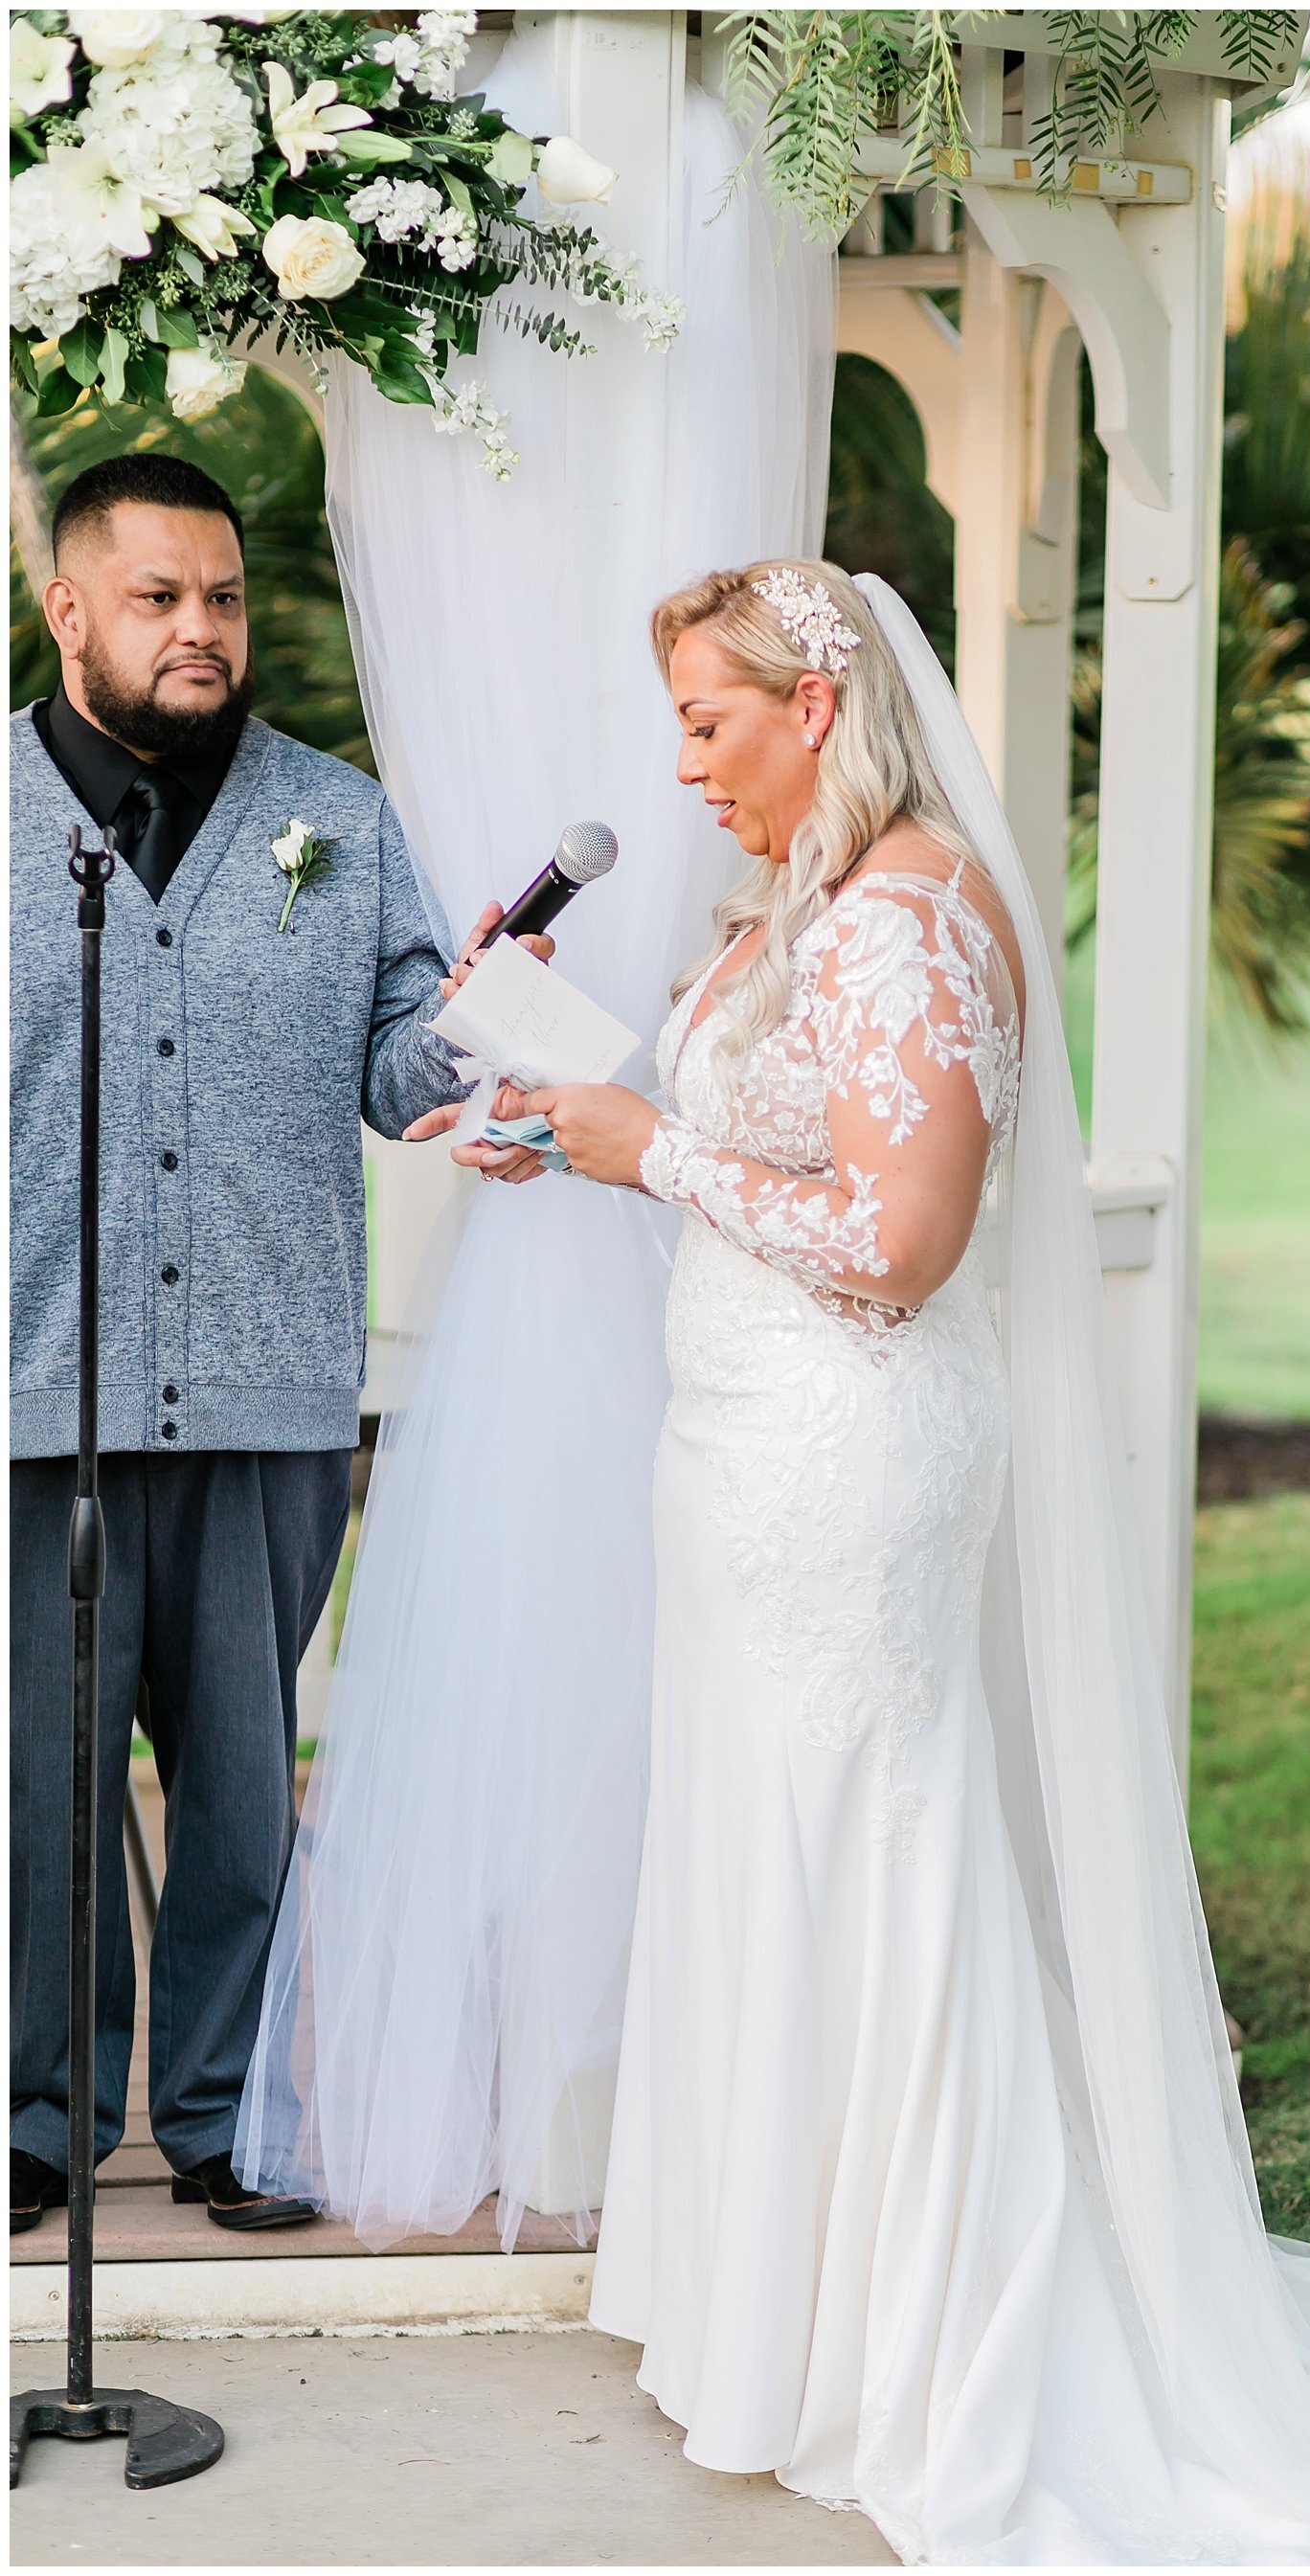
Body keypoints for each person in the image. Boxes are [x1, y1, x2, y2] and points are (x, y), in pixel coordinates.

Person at [426, 560, 1310, 2564]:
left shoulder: (912, 913)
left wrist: (648, 1154)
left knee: (869, 1850)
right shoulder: (814, 905)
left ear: (817, 707)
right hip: (747, 1449)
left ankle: (924, 2347)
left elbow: (905, 1240)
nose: (679, 764)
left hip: (843, 1469)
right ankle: (791, 2315)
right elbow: (776, 1153)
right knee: (777, 1846)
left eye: (706, 721)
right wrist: (571, 1117)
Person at [10, 452, 535, 2234]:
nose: (201, 629)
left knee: (245, 1780)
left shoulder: (341, 815)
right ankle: (42, 2116)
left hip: (272, 1387)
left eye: (222, 597)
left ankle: (229, 2114)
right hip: (31, 1394)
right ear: (67, 608)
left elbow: (399, 1075)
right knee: (42, 1789)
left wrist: (472, 1016)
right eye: (158, 598)